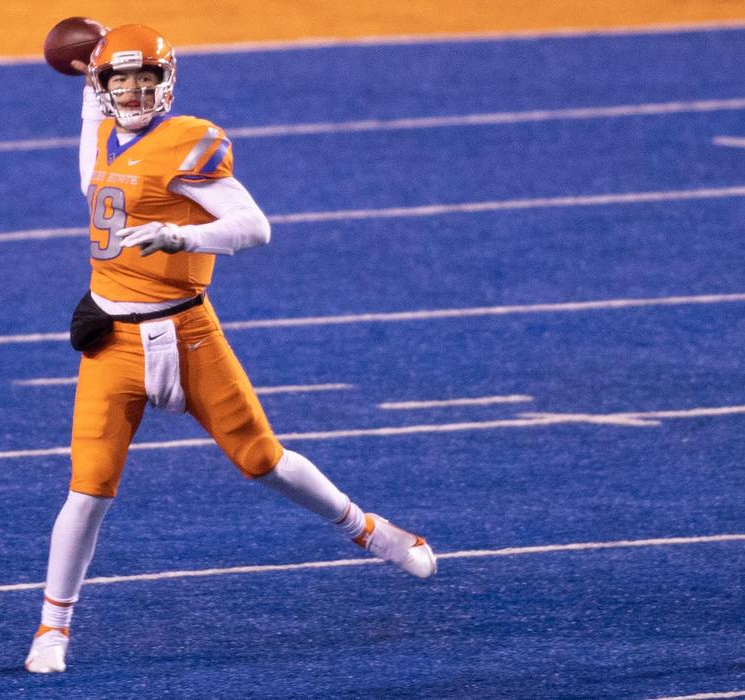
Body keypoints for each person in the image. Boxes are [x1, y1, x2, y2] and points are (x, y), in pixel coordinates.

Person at [25, 24, 437, 674]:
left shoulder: (188, 141)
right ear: (101, 86)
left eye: (145, 77)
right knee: (89, 490)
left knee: (264, 462)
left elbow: (254, 227)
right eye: (117, 79)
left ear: (168, 81)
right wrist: (88, 80)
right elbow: (89, 179)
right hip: (114, 342)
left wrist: (180, 237)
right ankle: (53, 628)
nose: (132, 90)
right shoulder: (104, 132)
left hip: (188, 335)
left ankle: (370, 530)